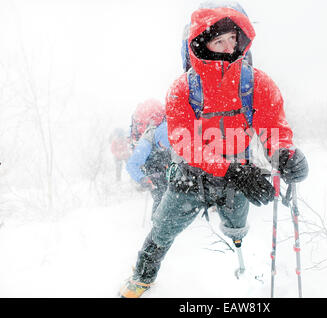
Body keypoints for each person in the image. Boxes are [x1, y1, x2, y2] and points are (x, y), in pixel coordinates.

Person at [119, 2, 309, 298]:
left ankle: (240, 261)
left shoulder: (257, 83)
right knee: (161, 231)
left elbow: (273, 126)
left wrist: (285, 154)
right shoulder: (182, 89)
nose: (228, 47)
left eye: (233, 38)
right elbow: (184, 142)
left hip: (239, 175)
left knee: (237, 229)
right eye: (218, 41)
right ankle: (142, 277)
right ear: (201, 43)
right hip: (191, 178)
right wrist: (231, 170)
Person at [126, 99, 171, 216]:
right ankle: (158, 225)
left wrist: (142, 179)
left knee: (163, 197)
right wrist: (142, 178)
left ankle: (158, 225)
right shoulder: (148, 138)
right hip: (156, 170)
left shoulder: (158, 131)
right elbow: (132, 164)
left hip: (162, 169)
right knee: (162, 197)